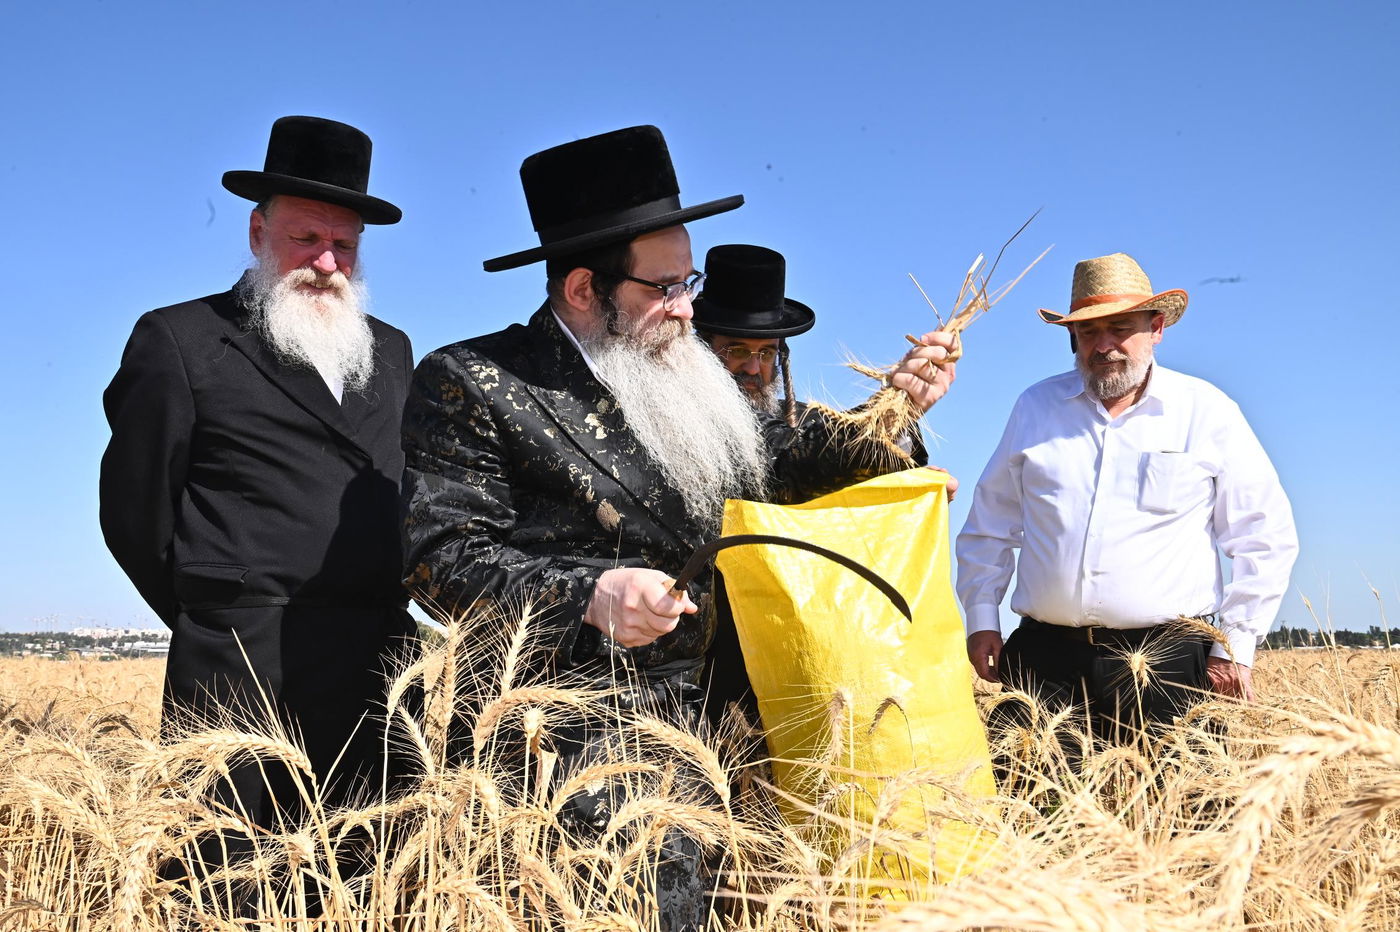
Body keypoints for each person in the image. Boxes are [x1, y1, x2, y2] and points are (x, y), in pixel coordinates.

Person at [400, 124, 956, 930]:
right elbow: (438, 558)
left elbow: (795, 456)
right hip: (569, 756)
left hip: (725, 742)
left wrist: (897, 409)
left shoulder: (688, 377)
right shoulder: (475, 382)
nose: (688, 306)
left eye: (688, 279)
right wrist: (590, 597)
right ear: (585, 289)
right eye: (664, 287)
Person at [99, 116, 416, 831]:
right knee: (235, 888)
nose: (327, 262)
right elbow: (133, 516)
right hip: (243, 680)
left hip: (381, 680)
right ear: (255, 232)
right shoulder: (179, 339)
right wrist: (220, 613)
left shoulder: (392, 351)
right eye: (306, 238)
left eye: (344, 244)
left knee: (380, 884)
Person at [955, 252, 1297, 747]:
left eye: (1119, 327)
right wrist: (982, 617)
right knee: (1028, 812)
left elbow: (1264, 535)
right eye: (1088, 333)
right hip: (1043, 665)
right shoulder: (1035, 407)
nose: (1104, 346)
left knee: (1180, 817)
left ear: (1156, 327)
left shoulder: (1207, 411)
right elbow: (991, 524)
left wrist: (1237, 645)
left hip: (1171, 665)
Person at [690, 244, 813, 424]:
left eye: (767, 354)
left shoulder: (803, 429)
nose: (753, 369)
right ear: (704, 347)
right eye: (739, 351)